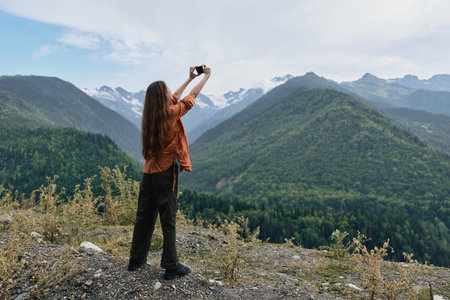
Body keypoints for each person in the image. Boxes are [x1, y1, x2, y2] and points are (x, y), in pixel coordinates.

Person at [127, 65, 211, 280]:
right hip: (165, 173)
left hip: (149, 173)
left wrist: (188, 78)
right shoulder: (171, 112)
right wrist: (206, 76)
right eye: (167, 90)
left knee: (144, 217)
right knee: (168, 219)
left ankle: (136, 260)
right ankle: (171, 266)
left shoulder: (151, 115)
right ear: (162, 97)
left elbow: (175, 96)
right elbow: (191, 97)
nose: (170, 92)